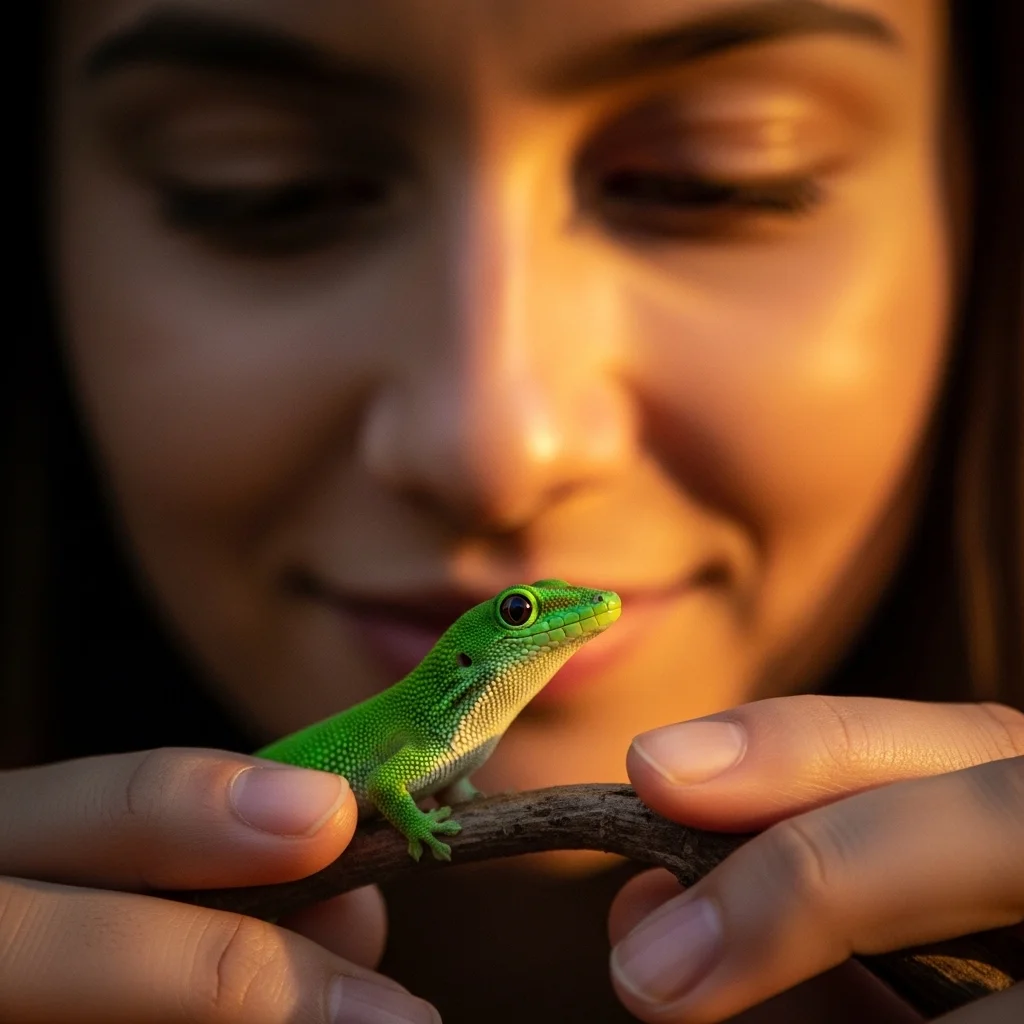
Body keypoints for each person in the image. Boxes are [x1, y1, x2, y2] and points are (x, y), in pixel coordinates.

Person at [3, 1, 1021, 1021]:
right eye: (262, 189)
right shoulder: (428, 724)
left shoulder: (451, 723)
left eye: (714, 174)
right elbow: (403, 784)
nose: (495, 454)